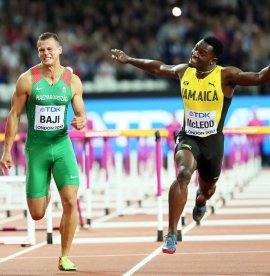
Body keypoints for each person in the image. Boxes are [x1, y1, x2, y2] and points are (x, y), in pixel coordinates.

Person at [111, 36, 270, 254]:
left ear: (213, 60)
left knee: (207, 190)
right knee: (183, 173)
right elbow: (158, 68)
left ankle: (200, 200)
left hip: (212, 142)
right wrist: (129, 60)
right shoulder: (184, 71)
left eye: (202, 53)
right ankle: (171, 233)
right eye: (195, 49)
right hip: (189, 137)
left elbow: (261, 77)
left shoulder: (226, 75)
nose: (195, 53)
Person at [0, 32, 86, 271]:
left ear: (59, 50)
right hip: (37, 149)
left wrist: (81, 120)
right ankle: (45, 186)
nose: (45, 54)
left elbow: (80, 112)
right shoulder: (27, 80)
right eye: (41, 50)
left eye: (49, 49)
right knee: (37, 214)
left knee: (70, 200)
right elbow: (14, 115)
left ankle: (65, 256)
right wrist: (6, 150)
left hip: (61, 146)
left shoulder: (72, 80)